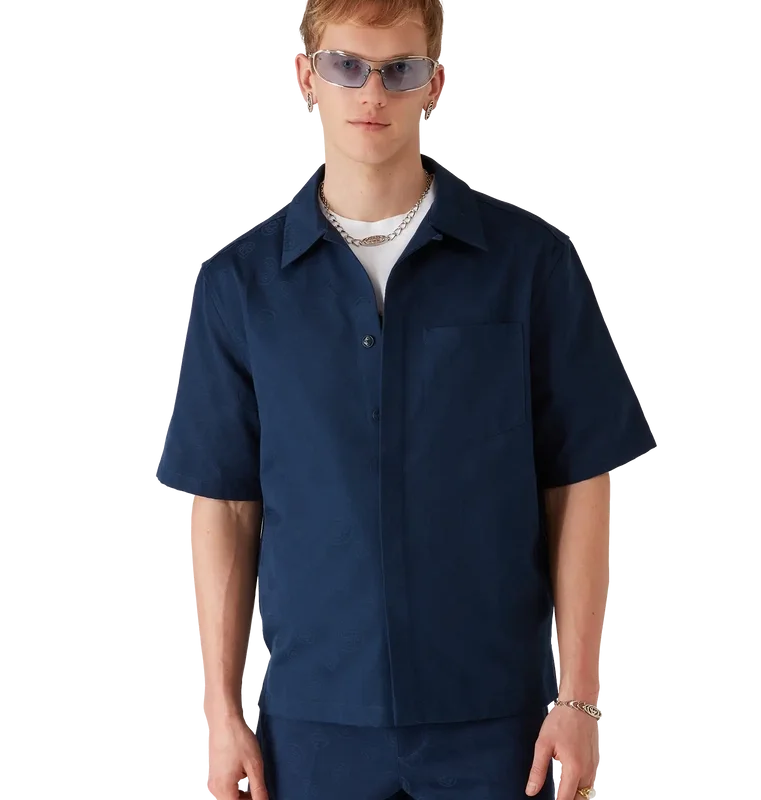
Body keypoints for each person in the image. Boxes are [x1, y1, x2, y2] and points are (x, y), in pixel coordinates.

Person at [156, 1, 656, 798]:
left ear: (437, 83)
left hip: (500, 725)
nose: (372, 92)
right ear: (304, 77)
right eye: (346, 65)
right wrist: (219, 709)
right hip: (311, 729)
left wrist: (578, 698)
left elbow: (580, 483)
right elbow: (224, 505)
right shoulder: (238, 288)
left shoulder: (530, 266)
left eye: (401, 69)